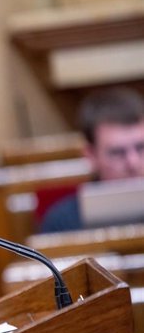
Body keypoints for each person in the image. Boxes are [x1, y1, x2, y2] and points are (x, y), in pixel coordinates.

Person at [39, 86, 144, 233]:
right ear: (91, 155)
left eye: (141, 148)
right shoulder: (61, 222)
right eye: (117, 152)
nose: (133, 162)